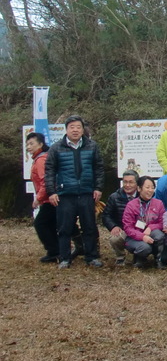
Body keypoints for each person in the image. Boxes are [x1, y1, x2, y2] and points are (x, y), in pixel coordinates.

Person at [44, 114, 105, 268]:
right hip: (65, 194)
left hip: (86, 192)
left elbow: (98, 168)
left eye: (78, 127)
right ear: (66, 129)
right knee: (64, 228)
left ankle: (91, 257)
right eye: (72, 127)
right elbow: (49, 171)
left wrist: (98, 188)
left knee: (89, 226)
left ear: (83, 129)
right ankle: (64, 258)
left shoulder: (92, 146)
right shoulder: (56, 148)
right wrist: (51, 192)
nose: (76, 130)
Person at [26, 132, 59, 262]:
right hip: (48, 198)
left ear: (40, 144)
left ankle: (54, 251)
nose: (28, 147)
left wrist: (38, 198)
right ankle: (56, 250)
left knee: (40, 224)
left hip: (49, 198)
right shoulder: (39, 158)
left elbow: (45, 182)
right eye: (27, 144)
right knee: (50, 224)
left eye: (31, 143)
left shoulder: (41, 160)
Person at [122, 176, 165, 268]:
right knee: (144, 247)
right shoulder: (131, 205)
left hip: (150, 233)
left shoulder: (158, 203)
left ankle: (158, 259)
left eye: (152, 188)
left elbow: (162, 223)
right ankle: (139, 258)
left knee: (159, 236)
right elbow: (128, 227)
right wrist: (142, 236)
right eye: (147, 187)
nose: (150, 190)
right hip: (133, 237)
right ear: (139, 188)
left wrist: (151, 227)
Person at [102, 170, 140, 265]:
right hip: (123, 229)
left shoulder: (143, 196)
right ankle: (120, 257)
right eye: (125, 182)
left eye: (131, 182)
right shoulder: (114, 197)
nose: (127, 185)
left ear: (137, 183)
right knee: (115, 238)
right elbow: (106, 215)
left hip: (140, 229)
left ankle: (139, 257)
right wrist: (113, 226)